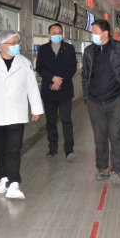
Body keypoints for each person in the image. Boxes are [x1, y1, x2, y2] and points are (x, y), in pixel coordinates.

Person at [0, 29, 43, 199]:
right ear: (1, 45)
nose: (16, 46)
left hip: (17, 112)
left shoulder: (24, 62)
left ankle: (14, 183)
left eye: (17, 43)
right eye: (12, 43)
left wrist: (36, 108)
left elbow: (31, 86)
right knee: (0, 149)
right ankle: (3, 178)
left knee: (14, 148)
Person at [82, 19, 120, 183]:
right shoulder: (89, 51)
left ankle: (118, 169)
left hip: (116, 99)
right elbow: (85, 75)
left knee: (115, 135)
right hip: (94, 101)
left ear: (105, 33)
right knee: (99, 136)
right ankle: (102, 167)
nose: (92, 34)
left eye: (95, 32)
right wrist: (86, 96)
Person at [36, 23, 77, 160]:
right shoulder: (43, 49)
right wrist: (52, 78)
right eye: (54, 33)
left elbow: (72, 67)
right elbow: (40, 68)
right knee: (51, 122)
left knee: (66, 120)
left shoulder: (69, 48)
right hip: (48, 91)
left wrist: (60, 80)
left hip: (65, 90)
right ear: (49, 35)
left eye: (59, 33)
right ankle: (52, 148)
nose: (57, 35)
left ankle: (69, 150)